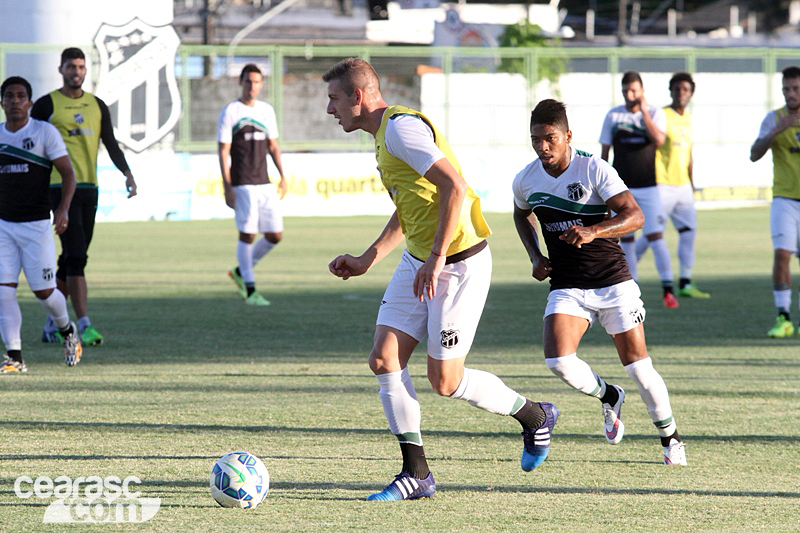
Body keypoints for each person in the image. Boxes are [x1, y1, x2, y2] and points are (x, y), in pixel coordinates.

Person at [324, 58, 559, 501]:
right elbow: (414, 203)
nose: (330, 109)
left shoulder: (400, 129)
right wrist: (368, 257)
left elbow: (454, 185)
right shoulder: (384, 136)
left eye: (334, 99)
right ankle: (417, 474)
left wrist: (436, 257)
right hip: (422, 261)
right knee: (384, 359)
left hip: (458, 265)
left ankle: (534, 416)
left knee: (445, 382)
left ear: (358, 96)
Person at [513, 99, 687, 465]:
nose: (543, 147)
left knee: (639, 367)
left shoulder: (593, 168)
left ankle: (671, 439)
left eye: (550, 139)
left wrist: (594, 231)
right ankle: (609, 396)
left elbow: (634, 216)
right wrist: (534, 255)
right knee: (558, 361)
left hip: (612, 282)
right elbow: (521, 214)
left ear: (568, 136)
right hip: (567, 284)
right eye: (536, 140)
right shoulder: (526, 179)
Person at [32, 47, 137, 346]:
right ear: (61, 69)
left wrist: (127, 173)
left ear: (86, 71)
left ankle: (52, 324)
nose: (76, 72)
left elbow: (111, 143)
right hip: (59, 189)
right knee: (77, 257)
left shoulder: (97, 105)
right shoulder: (46, 105)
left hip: (90, 188)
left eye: (80, 67)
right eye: (70, 66)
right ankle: (84, 325)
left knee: (71, 260)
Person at [0, 76, 83, 372]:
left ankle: (67, 330)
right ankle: (15, 357)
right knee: (3, 291)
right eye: (9, 96)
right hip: (4, 226)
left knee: (45, 293)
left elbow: (68, 174)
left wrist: (63, 209)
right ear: (2, 103)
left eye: (21, 96)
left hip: (36, 225)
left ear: (30, 103)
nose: (15, 101)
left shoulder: (44, 132)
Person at [599, 71, 677, 309]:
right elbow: (604, 153)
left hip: (649, 186)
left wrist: (643, 113)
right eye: (625, 91)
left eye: (633, 90)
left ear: (642, 91)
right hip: (622, 188)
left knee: (655, 236)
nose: (629, 95)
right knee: (627, 239)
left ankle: (668, 290)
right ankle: (632, 287)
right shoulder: (613, 115)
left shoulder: (655, 113)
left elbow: (660, 140)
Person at [635, 72, 710, 299]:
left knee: (688, 233)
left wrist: (692, 183)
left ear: (691, 93)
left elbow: (689, 154)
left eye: (685, 90)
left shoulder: (688, 117)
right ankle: (626, 272)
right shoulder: (662, 115)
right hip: (662, 186)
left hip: (684, 187)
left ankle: (685, 282)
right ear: (671, 91)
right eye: (677, 89)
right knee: (652, 235)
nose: (681, 93)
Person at [218, 63, 287, 307]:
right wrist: (227, 185)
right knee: (247, 233)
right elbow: (223, 150)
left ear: (261, 84)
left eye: (257, 82)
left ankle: (240, 271)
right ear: (241, 82)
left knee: (274, 235)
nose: (252, 86)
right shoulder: (230, 112)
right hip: (242, 183)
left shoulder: (267, 111)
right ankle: (249, 288)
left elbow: (273, 146)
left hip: (264, 182)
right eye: (248, 81)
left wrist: (283, 176)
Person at [751, 66, 800, 338]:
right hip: (785, 200)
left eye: (795, 89)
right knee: (782, 256)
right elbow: (754, 154)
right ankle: (784, 317)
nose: (790, 94)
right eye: (786, 89)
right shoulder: (775, 118)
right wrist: (776, 132)